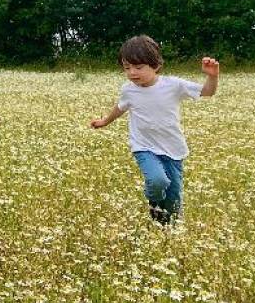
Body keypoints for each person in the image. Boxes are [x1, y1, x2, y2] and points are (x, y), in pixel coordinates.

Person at [91, 35, 219, 225]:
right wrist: (104, 121)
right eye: (127, 68)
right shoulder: (129, 90)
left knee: (173, 201)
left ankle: (165, 227)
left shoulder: (173, 85)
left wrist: (212, 76)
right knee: (158, 181)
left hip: (173, 150)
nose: (132, 72)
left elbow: (207, 92)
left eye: (138, 67)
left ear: (156, 65)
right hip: (144, 147)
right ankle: (153, 199)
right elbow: (120, 107)